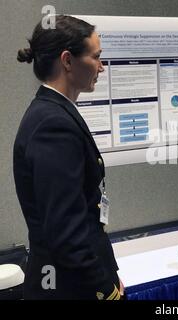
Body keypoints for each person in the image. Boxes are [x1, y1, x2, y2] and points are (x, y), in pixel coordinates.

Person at [14, 15, 123, 300]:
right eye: (96, 57)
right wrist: (105, 288)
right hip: (69, 288)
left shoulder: (55, 112)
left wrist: (110, 272)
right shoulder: (53, 124)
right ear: (67, 60)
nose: (101, 66)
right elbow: (66, 232)